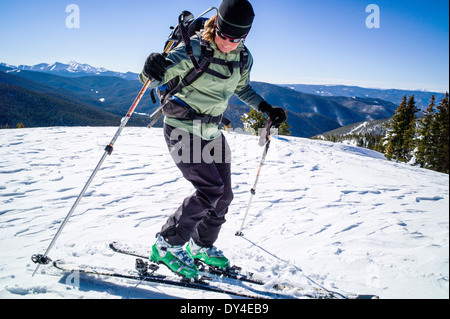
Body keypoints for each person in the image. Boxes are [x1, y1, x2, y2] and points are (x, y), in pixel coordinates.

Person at [139, 0, 286, 280]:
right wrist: (150, 68)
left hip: (212, 132)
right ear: (215, 25)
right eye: (224, 35)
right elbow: (154, 78)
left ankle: (200, 246)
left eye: (237, 38)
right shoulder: (193, 49)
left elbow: (242, 88)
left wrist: (265, 108)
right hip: (182, 128)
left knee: (223, 195)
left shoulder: (243, 57)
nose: (229, 43)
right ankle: (167, 244)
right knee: (209, 190)